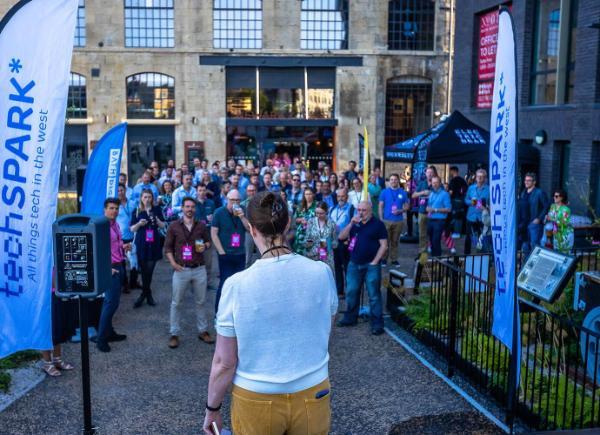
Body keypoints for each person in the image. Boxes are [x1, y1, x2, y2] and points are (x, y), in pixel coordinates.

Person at [203, 191, 338, 435]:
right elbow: (327, 329)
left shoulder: (236, 285)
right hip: (313, 388)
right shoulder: (321, 272)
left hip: (256, 395)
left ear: (252, 229)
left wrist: (212, 409)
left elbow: (224, 362)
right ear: (287, 223)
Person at [164, 197, 214, 349]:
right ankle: (174, 333)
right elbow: (168, 248)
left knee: (200, 302)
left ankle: (203, 331)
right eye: (187, 207)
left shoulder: (201, 226)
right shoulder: (174, 226)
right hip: (181, 269)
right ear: (183, 208)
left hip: (199, 269)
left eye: (192, 207)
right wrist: (173, 264)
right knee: (176, 303)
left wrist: (205, 245)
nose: (190, 209)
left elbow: (208, 242)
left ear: (195, 209)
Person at [337, 201, 387, 335]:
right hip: (354, 263)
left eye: (364, 210)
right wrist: (351, 224)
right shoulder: (355, 224)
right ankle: (350, 318)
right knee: (352, 291)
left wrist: (375, 261)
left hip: (371, 264)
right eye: (359, 210)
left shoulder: (378, 225)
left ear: (370, 210)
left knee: (374, 295)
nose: (360, 212)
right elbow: (341, 237)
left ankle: (377, 323)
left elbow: (384, 245)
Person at [95, 198, 129, 353]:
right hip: (111, 269)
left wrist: (124, 246)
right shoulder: (101, 226)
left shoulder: (115, 224)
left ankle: (109, 332)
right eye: (111, 208)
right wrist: (106, 268)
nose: (114, 211)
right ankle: (101, 339)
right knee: (110, 303)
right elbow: (96, 250)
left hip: (119, 264)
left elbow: (114, 245)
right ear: (104, 209)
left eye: (116, 208)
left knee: (112, 302)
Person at [211, 189, 249, 313]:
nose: (235, 202)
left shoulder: (243, 210)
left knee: (238, 285)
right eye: (232, 200)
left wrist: (242, 217)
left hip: (240, 253)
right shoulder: (219, 212)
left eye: (238, 200)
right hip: (225, 254)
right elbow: (214, 233)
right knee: (224, 284)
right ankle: (218, 313)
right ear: (227, 200)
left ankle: (235, 312)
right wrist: (221, 252)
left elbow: (249, 229)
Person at [130, 189, 166, 308]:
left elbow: (162, 226)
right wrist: (139, 224)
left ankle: (144, 295)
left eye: (149, 197)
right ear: (141, 198)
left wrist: (156, 220)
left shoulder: (156, 209)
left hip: (154, 242)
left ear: (152, 198)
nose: (147, 199)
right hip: (142, 243)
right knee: (144, 270)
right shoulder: (136, 210)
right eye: (145, 197)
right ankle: (147, 294)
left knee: (149, 271)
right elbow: (132, 229)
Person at [378, 173, 409, 266]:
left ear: (398, 181)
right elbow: (380, 206)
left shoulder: (403, 192)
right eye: (391, 179)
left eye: (395, 179)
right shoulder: (384, 192)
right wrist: (381, 219)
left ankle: (394, 259)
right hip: (386, 221)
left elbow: (407, 206)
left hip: (398, 221)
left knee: (395, 241)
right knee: (385, 242)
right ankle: (384, 259)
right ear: (389, 181)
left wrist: (401, 210)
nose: (393, 181)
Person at [329, 188, 354, 297]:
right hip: (334, 242)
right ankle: (340, 291)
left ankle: (350, 290)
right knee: (337, 267)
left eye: (342, 196)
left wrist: (351, 243)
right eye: (338, 196)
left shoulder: (351, 209)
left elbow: (355, 226)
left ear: (347, 197)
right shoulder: (332, 209)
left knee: (347, 267)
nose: (340, 198)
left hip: (346, 242)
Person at [520, 173, 550, 255]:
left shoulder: (539, 192)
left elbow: (546, 206)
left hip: (534, 224)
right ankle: (526, 266)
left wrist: (539, 219)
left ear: (534, 182)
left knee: (535, 246)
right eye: (525, 180)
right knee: (525, 246)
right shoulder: (523, 193)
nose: (526, 182)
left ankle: (536, 266)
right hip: (524, 224)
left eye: (529, 180)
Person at [305, 201, 338, 272]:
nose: (318, 215)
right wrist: (308, 243)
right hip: (313, 257)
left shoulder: (332, 224)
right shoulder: (311, 222)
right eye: (317, 213)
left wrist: (328, 243)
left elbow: (336, 243)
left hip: (327, 259)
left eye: (321, 213)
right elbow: (306, 239)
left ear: (326, 212)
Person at [464, 169, 490, 255]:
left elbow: (491, 204)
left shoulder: (489, 189)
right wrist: (473, 202)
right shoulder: (471, 188)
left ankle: (480, 255)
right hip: (471, 217)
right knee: (468, 238)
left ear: (485, 178)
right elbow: (466, 200)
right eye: (478, 176)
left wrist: (485, 207)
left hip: (482, 217)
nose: (480, 178)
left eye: (482, 177)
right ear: (475, 177)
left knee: (481, 238)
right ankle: (466, 256)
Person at [117, 183, 137, 293]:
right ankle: (125, 284)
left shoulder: (133, 203)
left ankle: (134, 282)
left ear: (125, 190)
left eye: (121, 190)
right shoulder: (115, 206)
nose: (120, 192)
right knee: (122, 262)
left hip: (132, 237)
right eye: (118, 191)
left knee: (134, 261)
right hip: (120, 238)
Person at [426, 176, 452, 257]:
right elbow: (429, 206)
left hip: (439, 221)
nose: (434, 184)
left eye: (436, 182)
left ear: (440, 183)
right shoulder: (431, 193)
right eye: (433, 182)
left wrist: (435, 210)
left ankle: (437, 259)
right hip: (430, 220)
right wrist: (427, 208)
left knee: (435, 241)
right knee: (431, 240)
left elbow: (448, 209)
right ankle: (434, 258)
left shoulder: (445, 194)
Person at [412, 166, 436, 252]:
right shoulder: (422, 183)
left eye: (431, 172)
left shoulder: (438, 184)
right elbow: (413, 195)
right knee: (422, 233)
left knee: (433, 233)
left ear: (434, 173)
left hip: (434, 213)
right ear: (425, 174)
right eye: (428, 172)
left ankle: (433, 249)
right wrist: (422, 192)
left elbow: (444, 195)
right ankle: (422, 251)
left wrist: (432, 195)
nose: (429, 174)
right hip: (422, 212)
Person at [545, 188, 574, 253]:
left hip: (565, 234)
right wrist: (549, 218)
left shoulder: (566, 209)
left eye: (556, 196)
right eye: (554, 196)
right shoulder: (553, 206)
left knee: (565, 253)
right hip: (556, 233)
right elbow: (550, 215)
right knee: (556, 252)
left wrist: (552, 219)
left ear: (562, 198)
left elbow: (564, 222)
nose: (554, 198)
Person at [292, 187, 317, 255]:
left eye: (310, 194)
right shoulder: (300, 206)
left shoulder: (317, 206)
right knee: (299, 255)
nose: (308, 196)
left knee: (310, 256)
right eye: (306, 194)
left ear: (313, 195)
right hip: (300, 234)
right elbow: (294, 219)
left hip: (312, 234)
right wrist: (300, 220)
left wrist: (310, 221)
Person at [448, 166, 468, 238]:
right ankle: (459, 232)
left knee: (455, 216)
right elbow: (466, 191)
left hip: (455, 200)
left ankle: (456, 233)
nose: (450, 173)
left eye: (450, 171)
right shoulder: (462, 180)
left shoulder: (453, 181)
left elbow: (451, 192)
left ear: (453, 171)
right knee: (460, 217)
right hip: (462, 201)